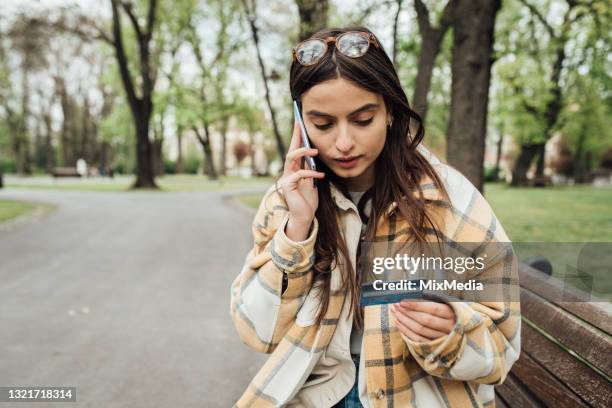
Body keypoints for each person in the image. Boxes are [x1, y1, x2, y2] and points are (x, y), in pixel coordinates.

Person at [230, 26, 520, 408]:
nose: (344, 142)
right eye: (323, 124)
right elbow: (258, 333)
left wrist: (451, 331)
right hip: (319, 394)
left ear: (389, 112)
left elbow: (502, 345)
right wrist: (296, 230)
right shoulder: (287, 199)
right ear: (301, 123)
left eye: (363, 119)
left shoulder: (449, 198)